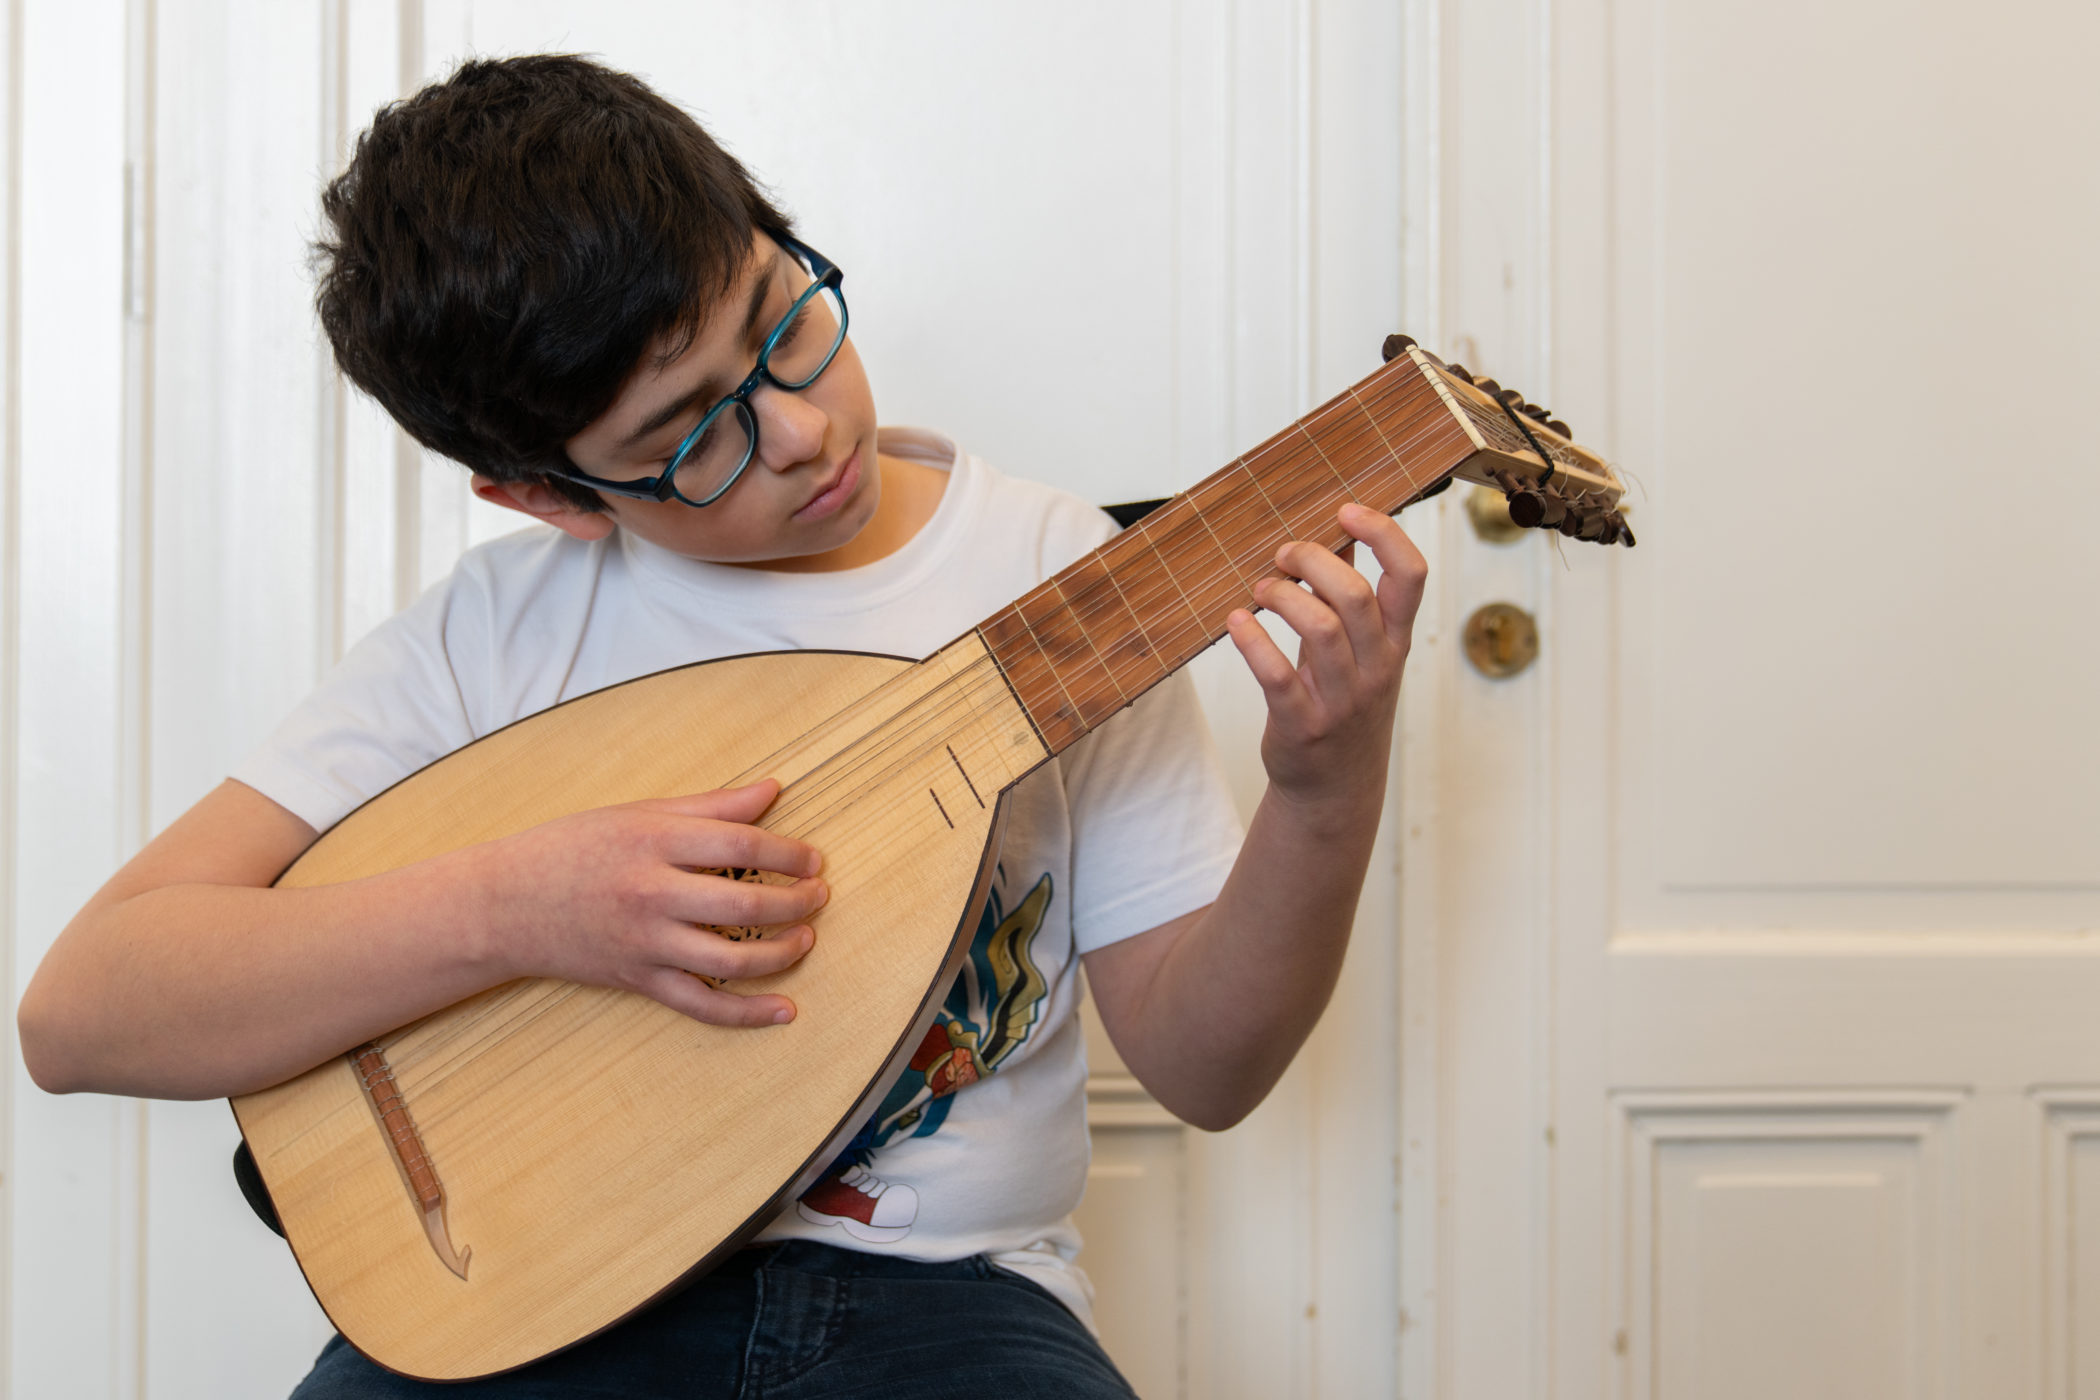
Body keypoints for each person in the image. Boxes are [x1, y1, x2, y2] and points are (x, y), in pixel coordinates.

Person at [16, 54, 1427, 1399]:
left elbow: (1209, 1070)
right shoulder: (500, 634)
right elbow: (81, 1015)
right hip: (525, 1328)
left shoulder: (1062, 590)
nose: (803, 430)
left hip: (949, 1306)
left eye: (782, 323)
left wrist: (1322, 790)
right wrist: (523, 907)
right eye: (689, 438)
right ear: (554, 497)